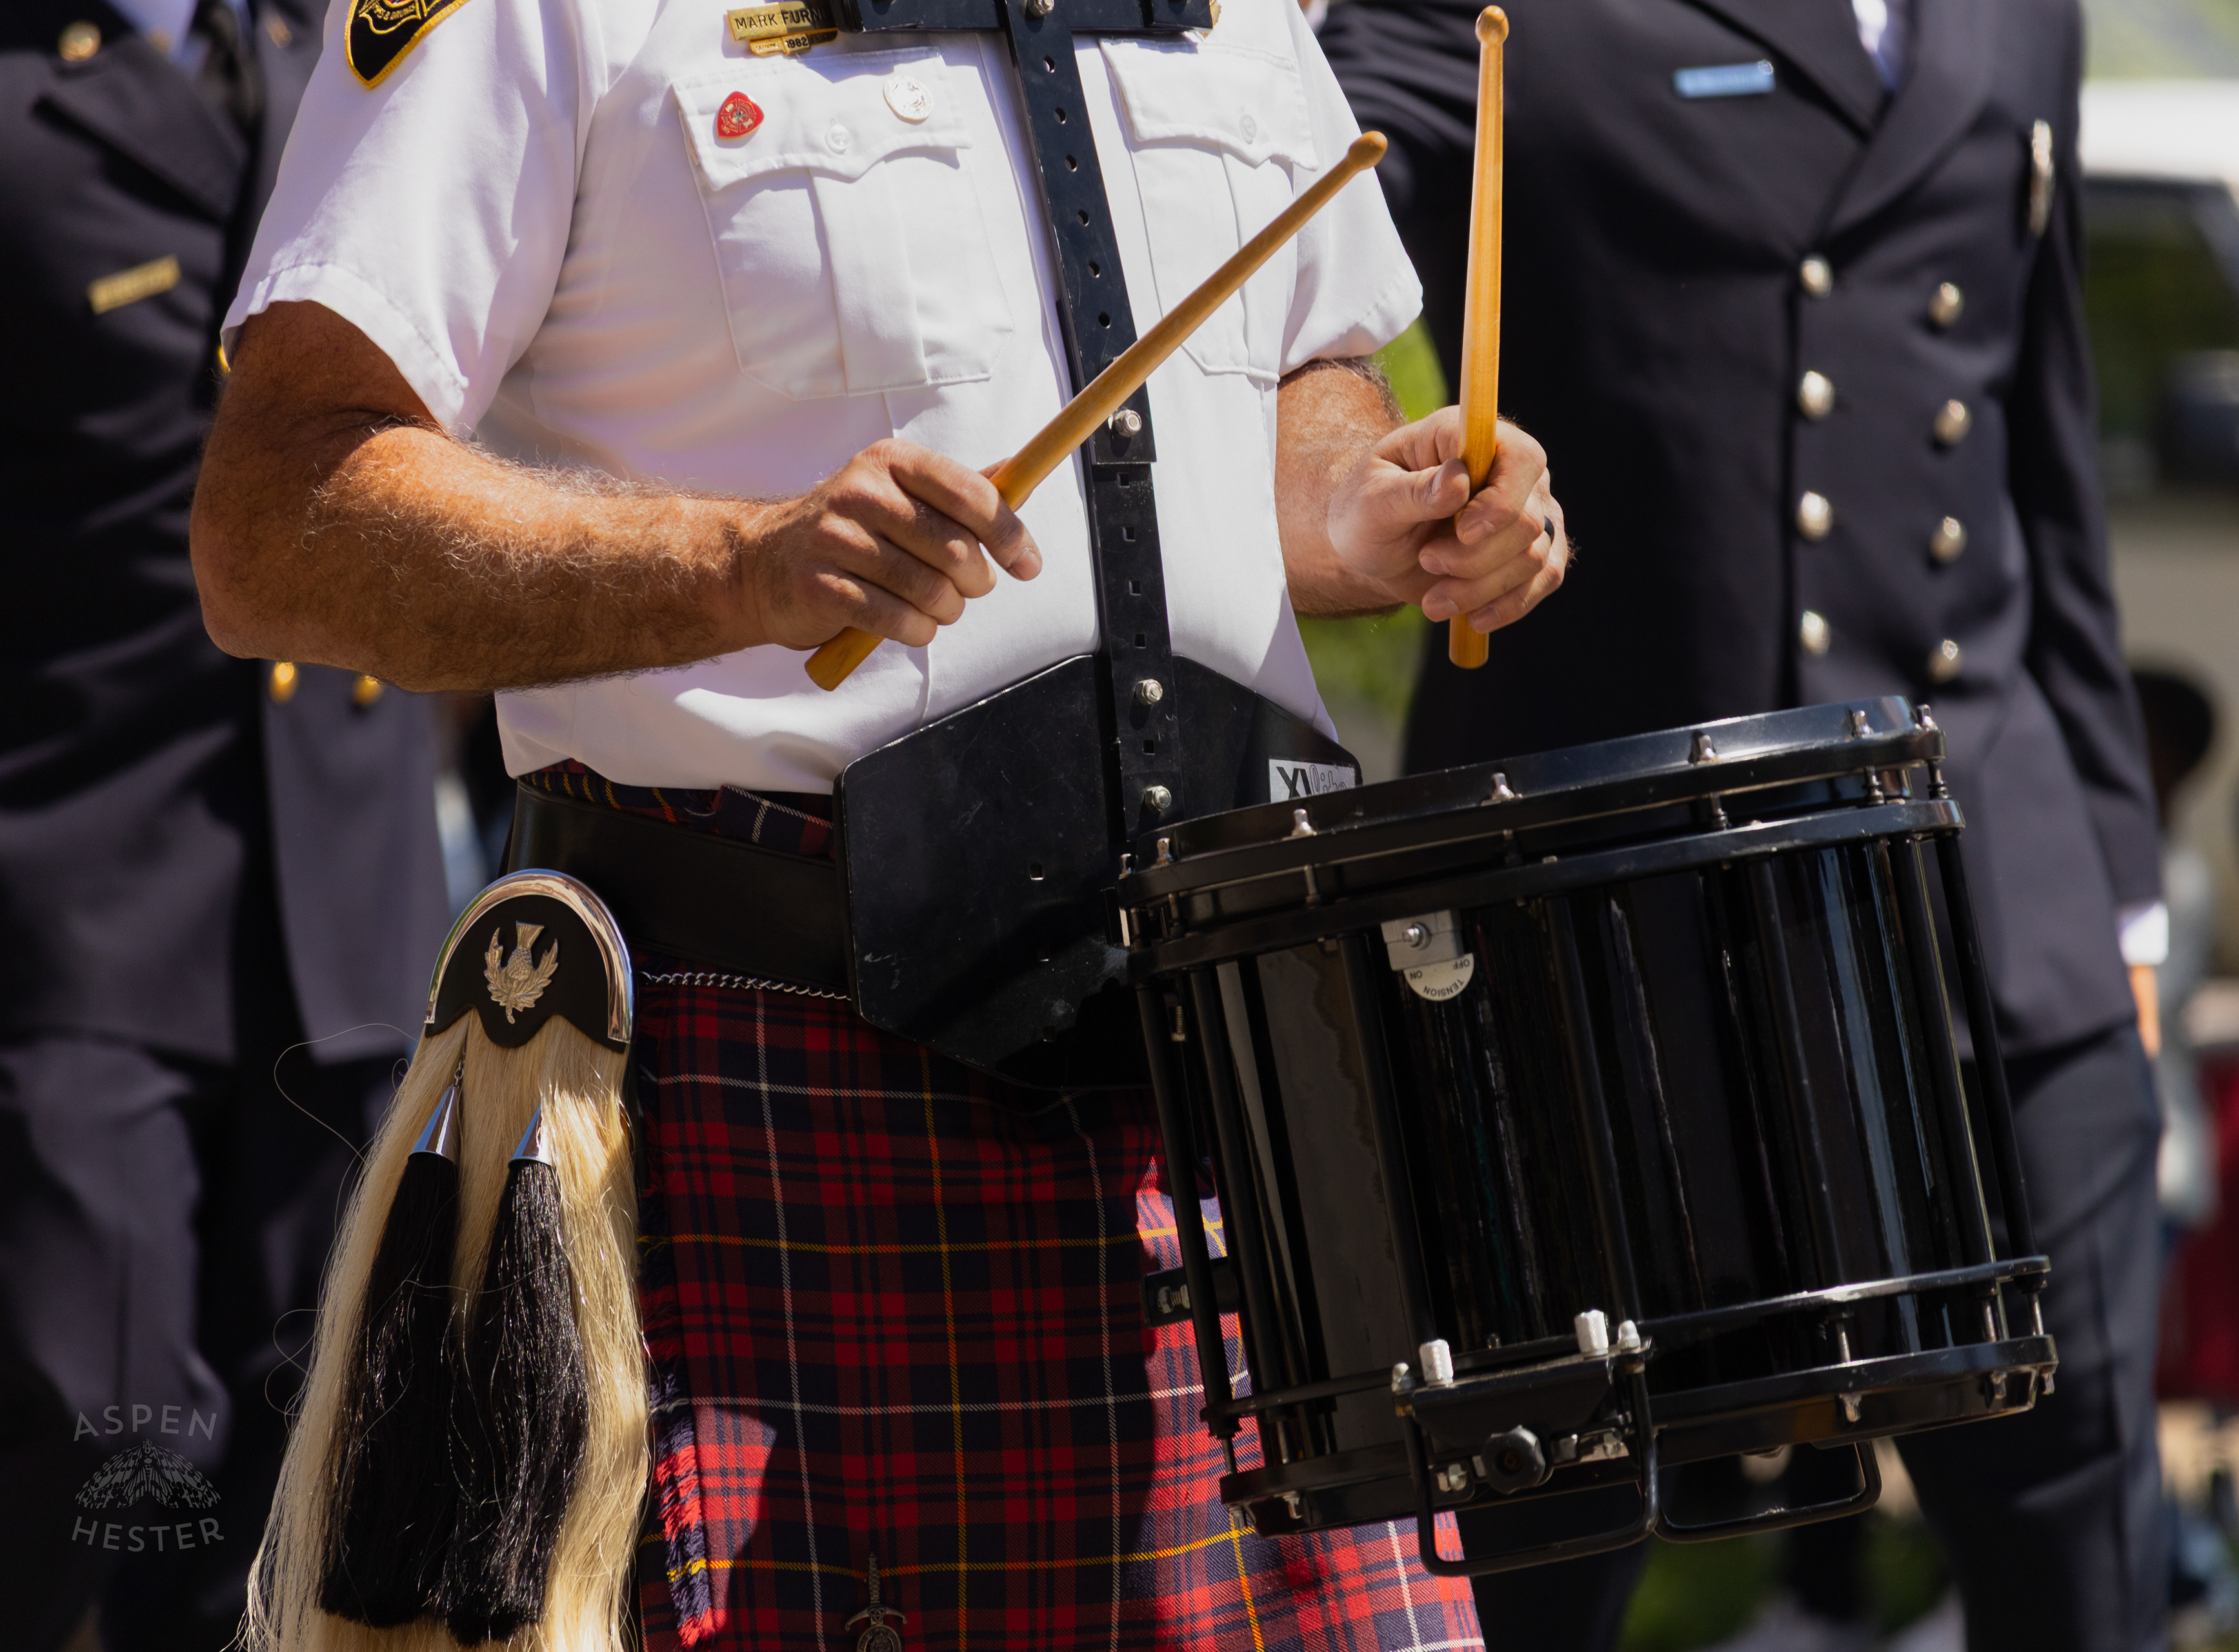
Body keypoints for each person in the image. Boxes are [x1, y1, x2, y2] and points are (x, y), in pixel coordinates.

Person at [188, 0, 1570, 1644]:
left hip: (1234, 1102)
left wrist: (1371, 503)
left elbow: (1286, 385)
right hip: (778, 1085)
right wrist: (735, 565)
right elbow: (278, 517)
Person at [1318, 1, 2169, 1649]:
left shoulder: (2016, 15)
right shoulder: (1491, 15)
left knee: (2086, 1541)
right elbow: (1266, 234)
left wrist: (2124, 897)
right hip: (1599, 911)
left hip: (1990, 893)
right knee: (1535, 1557)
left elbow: (2041, 458)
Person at [0, 2, 447, 1648]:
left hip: (347, 898)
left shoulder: (357, 45)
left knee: (311, 1463)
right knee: (112, 1431)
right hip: (77, 892)